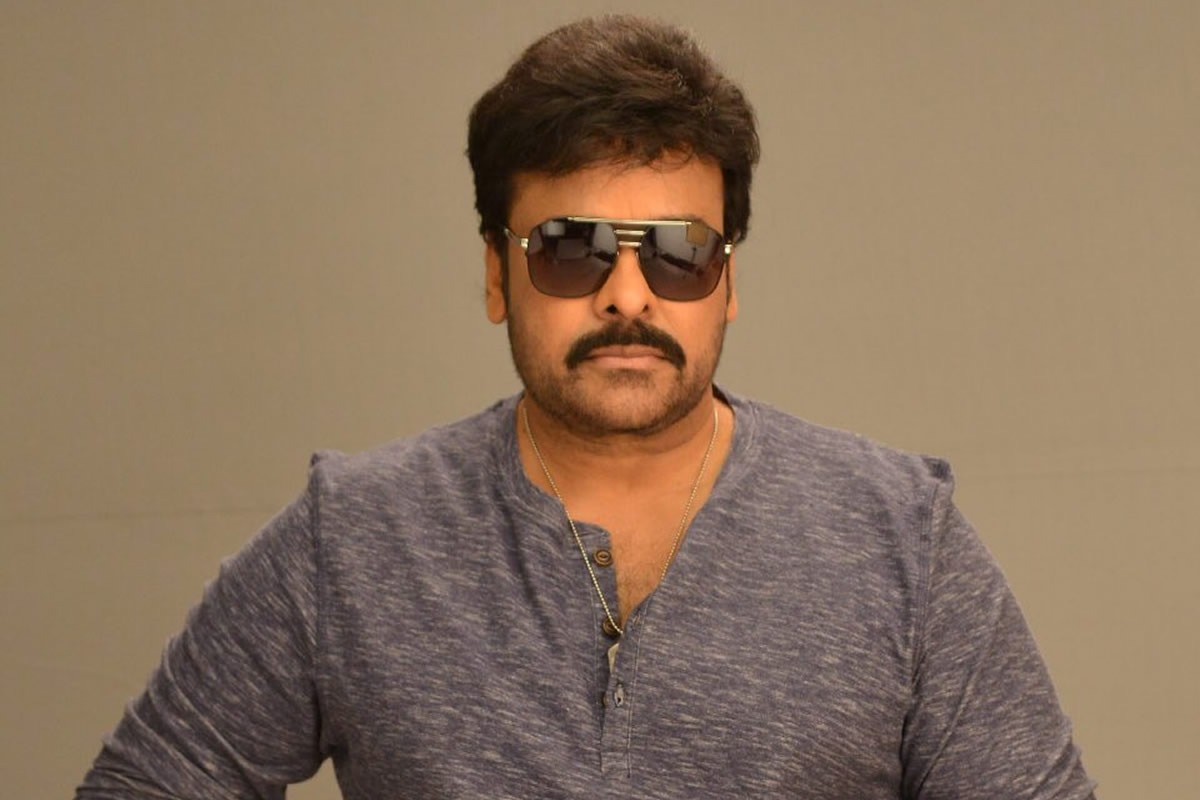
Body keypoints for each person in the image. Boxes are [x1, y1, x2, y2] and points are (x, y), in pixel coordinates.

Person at [78, 14, 1096, 799]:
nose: (628, 295)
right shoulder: (353, 538)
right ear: (496, 274)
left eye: (679, 253)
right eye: (572, 249)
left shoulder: (901, 539)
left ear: (728, 283)